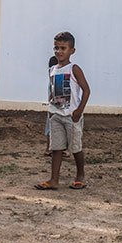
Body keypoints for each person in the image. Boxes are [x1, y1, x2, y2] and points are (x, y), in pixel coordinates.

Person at [35, 32, 90, 190]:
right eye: (56, 48)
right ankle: (54, 180)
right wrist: (51, 111)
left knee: (75, 147)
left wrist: (79, 111)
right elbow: (52, 91)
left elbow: (86, 90)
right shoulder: (52, 69)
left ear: (72, 50)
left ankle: (80, 175)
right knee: (56, 148)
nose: (59, 51)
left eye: (63, 48)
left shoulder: (74, 69)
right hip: (56, 116)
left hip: (71, 116)